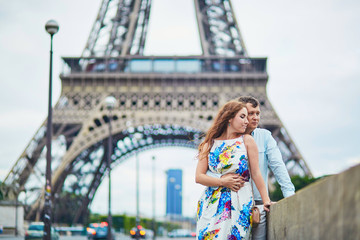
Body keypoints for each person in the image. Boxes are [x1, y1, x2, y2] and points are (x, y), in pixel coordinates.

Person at [207, 96, 295, 240]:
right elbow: (206, 171)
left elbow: (278, 167)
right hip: (229, 206)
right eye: (250, 114)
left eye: (257, 113)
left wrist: (290, 196)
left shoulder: (264, 137)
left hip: (257, 206)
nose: (254, 118)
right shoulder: (221, 142)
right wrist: (222, 179)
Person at [195, 100, 273, 239]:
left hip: (240, 202)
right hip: (211, 205)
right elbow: (199, 177)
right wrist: (222, 181)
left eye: (246, 118)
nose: (247, 122)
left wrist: (266, 199)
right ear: (229, 118)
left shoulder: (247, 141)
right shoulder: (208, 144)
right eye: (242, 117)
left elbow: (256, 173)